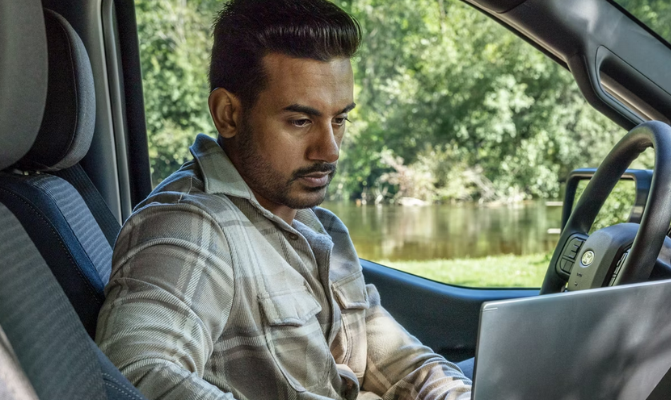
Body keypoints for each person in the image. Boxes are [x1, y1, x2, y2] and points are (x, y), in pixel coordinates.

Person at [94, 0, 472, 398]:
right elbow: (134, 376)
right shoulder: (192, 226)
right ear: (228, 114)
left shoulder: (314, 224)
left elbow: (394, 360)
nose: (330, 150)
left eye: (339, 119)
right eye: (301, 121)